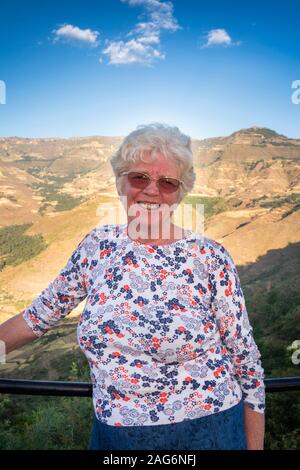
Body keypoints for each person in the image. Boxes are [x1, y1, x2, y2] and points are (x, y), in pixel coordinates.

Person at [0, 123, 265, 450]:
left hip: (209, 432)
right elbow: (35, 319)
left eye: (167, 182)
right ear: (120, 182)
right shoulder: (97, 247)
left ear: (181, 193)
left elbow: (246, 361)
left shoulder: (210, 257)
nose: (152, 191)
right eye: (139, 177)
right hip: (118, 438)